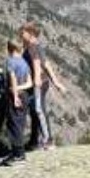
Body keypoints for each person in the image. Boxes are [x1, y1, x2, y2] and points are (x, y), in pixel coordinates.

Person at [21, 22, 65, 150]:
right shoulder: (35, 46)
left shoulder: (33, 47)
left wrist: (37, 79)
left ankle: (48, 141)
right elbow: (46, 64)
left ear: (31, 33)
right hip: (39, 82)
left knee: (39, 110)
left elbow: (37, 63)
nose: (21, 35)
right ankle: (34, 141)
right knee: (35, 111)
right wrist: (56, 82)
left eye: (23, 33)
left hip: (38, 83)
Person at [2, 41, 31, 162]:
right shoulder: (24, 62)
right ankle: (18, 152)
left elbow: (12, 78)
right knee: (20, 123)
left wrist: (14, 95)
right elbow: (30, 83)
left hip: (14, 95)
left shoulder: (10, 61)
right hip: (24, 95)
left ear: (9, 48)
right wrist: (19, 88)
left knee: (14, 124)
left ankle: (18, 154)